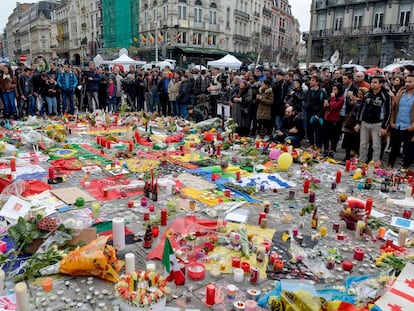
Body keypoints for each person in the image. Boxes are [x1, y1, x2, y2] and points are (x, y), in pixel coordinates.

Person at [355, 75, 391, 164]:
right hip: (364, 123)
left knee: (376, 145)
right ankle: (361, 161)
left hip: (377, 124)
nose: (372, 84)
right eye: (372, 82)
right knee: (363, 144)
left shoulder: (385, 96)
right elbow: (361, 109)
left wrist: (384, 127)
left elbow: (388, 112)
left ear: (381, 84)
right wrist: (358, 123)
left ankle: (375, 163)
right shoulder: (367, 94)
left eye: (375, 82)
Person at [388, 74, 414, 168]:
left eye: (410, 82)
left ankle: (405, 169)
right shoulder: (401, 93)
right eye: (406, 81)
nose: (407, 84)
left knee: (408, 150)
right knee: (394, 149)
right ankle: (390, 167)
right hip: (397, 125)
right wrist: (391, 122)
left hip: (409, 127)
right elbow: (394, 108)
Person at [341, 87, 368, 161]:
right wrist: (350, 99)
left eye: (361, 94)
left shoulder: (365, 102)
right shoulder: (355, 101)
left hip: (359, 123)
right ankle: (346, 156)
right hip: (351, 123)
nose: (359, 95)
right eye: (358, 94)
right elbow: (349, 106)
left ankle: (354, 157)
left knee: (356, 141)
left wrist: (357, 102)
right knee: (348, 140)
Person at [303, 74, 328, 152]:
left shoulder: (322, 93)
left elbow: (325, 106)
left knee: (318, 132)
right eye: (311, 80)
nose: (311, 82)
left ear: (317, 82)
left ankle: (319, 147)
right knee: (309, 130)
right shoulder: (309, 91)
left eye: (313, 80)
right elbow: (305, 101)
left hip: (318, 114)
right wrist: (306, 107)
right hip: (309, 113)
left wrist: (318, 115)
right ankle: (311, 145)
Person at [323, 83, 345, 157]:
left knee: (333, 137)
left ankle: (332, 150)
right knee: (325, 135)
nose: (333, 91)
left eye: (335, 89)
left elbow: (334, 106)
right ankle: (325, 149)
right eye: (333, 89)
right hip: (327, 117)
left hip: (334, 119)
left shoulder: (341, 98)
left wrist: (333, 98)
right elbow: (327, 107)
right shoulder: (331, 96)